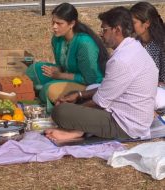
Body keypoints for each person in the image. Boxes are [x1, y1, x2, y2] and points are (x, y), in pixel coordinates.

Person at [44, 6, 158, 144]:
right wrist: (79, 95)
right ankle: (79, 127)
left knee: (61, 112)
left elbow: (101, 102)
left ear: (117, 30)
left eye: (104, 30)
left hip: (125, 125)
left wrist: (76, 110)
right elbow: (108, 89)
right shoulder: (134, 48)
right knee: (75, 95)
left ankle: (77, 130)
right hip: (126, 113)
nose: (101, 34)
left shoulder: (121, 60)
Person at [25, 2, 108, 111]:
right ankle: (39, 88)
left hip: (89, 85)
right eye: (53, 22)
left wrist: (60, 76)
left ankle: (48, 94)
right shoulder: (57, 39)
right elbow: (61, 65)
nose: (54, 27)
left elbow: (90, 79)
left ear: (72, 24)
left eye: (59, 23)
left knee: (49, 90)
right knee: (34, 70)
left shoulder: (84, 43)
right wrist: (56, 69)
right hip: (67, 74)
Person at [130, 2, 165, 110]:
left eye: (133, 23)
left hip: (156, 90)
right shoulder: (133, 43)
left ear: (146, 23)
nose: (129, 26)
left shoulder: (161, 46)